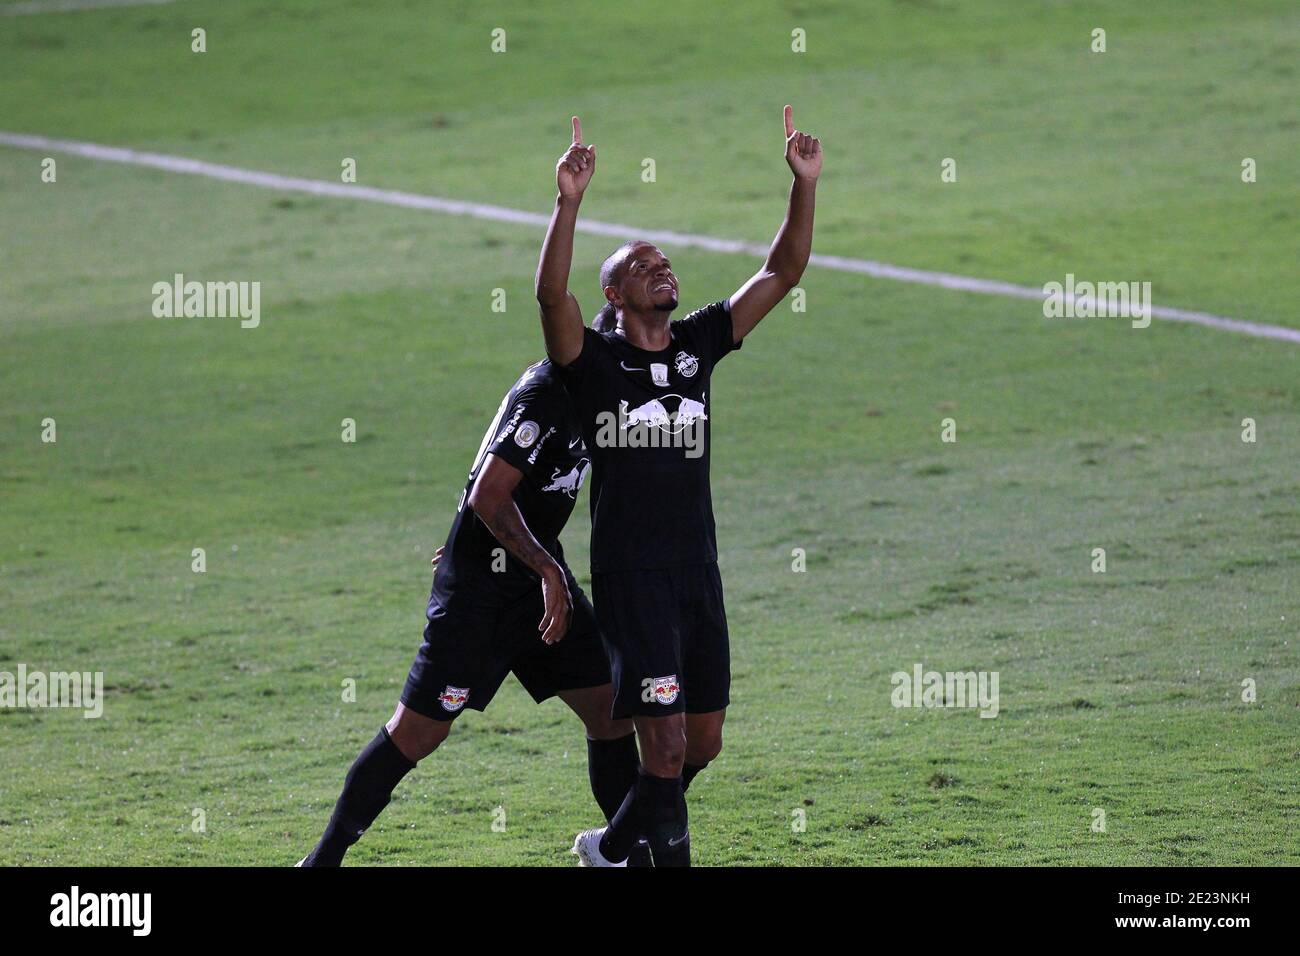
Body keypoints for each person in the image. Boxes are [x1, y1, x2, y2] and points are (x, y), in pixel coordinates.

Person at [534, 108, 822, 866]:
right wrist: (568, 204)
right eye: (643, 266)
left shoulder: (697, 345)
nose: (663, 269)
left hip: (699, 571)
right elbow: (550, 299)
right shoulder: (593, 362)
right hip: (635, 581)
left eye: (665, 262)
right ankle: (641, 844)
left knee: (703, 742)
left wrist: (804, 185)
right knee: (660, 750)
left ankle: (613, 842)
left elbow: (783, 273)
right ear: (617, 295)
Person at [298, 352, 647, 865]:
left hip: (538, 583)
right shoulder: (546, 394)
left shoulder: (603, 394)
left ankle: (619, 856)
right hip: (480, 597)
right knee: (417, 733)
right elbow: (488, 493)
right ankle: (322, 861)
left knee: (611, 711)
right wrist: (541, 567)